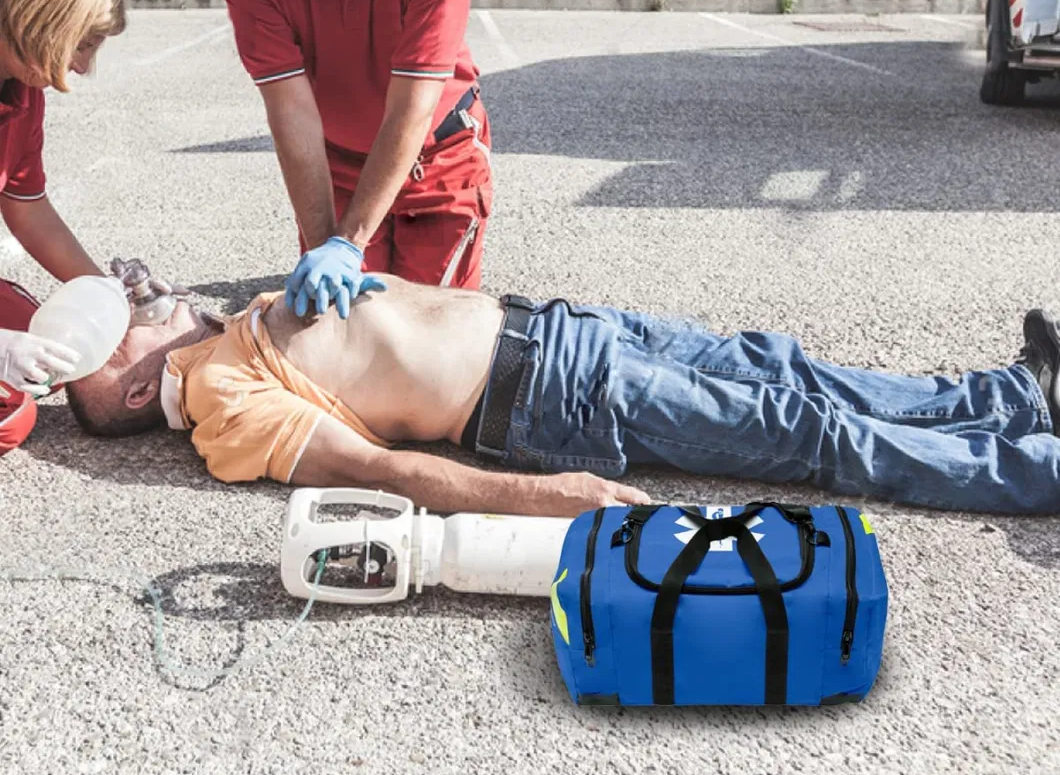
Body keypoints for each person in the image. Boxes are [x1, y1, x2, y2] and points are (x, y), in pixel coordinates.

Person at [65, 271, 1060, 516]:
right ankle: (1031, 468)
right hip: (547, 398)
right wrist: (544, 496)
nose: (133, 290)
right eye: (122, 315)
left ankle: (1009, 399)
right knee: (800, 431)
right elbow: (379, 469)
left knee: (784, 368)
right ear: (137, 380)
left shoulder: (233, 325)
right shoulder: (225, 404)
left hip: (559, 330)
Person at [221, 0, 491, 321]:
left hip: (438, 158)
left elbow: (411, 107)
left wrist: (350, 244)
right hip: (335, 165)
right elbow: (290, 111)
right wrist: (326, 244)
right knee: (341, 330)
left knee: (432, 331)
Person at [0, 0, 127, 455]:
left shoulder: (22, 90)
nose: (83, 65)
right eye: (85, 42)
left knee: (48, 344)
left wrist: (107, 293)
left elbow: (26, 207)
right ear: (42, 17)